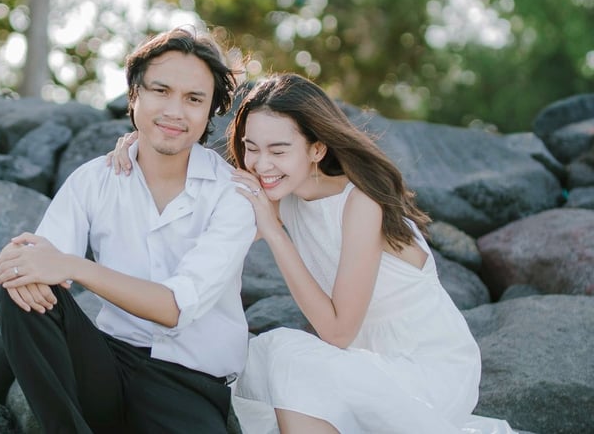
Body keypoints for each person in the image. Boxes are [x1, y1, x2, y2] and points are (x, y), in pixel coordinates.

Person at [108, 73, 516, 433]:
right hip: (364, 365)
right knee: (253, 361)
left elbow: (338, 333)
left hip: (430, 372)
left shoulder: (360, 203)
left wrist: (273, 231)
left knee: (285, 351)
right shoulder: (280, 192)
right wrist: (142, 148)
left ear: (317, 150)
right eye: (252, 148)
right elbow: (193, 231)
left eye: (279, 150)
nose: (261, 164)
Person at [0, 27, 257, 434]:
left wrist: (71, 266)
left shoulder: (233, 195)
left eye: (193, 99)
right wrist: (16, 264)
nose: (174, 110)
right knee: (18, 293)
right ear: (135, 96)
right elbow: (38, 259)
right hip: (106, 364)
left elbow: (175, 308)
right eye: (160, 91)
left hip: (188, 383)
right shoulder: (93, 180)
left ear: (209, 112)